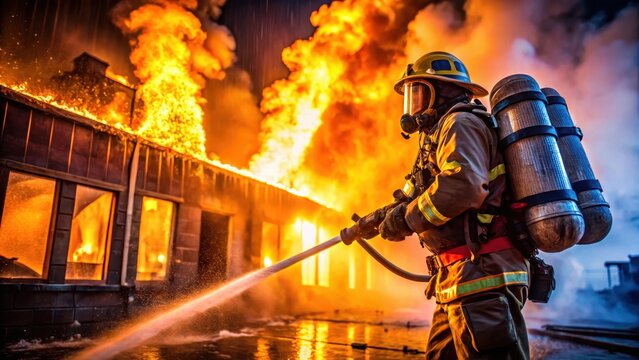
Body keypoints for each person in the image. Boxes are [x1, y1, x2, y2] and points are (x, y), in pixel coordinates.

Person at [378, 51, 531, 359]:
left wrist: (406, 220)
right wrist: (383, 216)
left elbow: (463, 187)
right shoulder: (438, 137)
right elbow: (414, 192)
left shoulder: (460, 123)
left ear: (441, 90)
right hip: (458, 280)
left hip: (482, 276)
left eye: (418, 93)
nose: (413, 105)